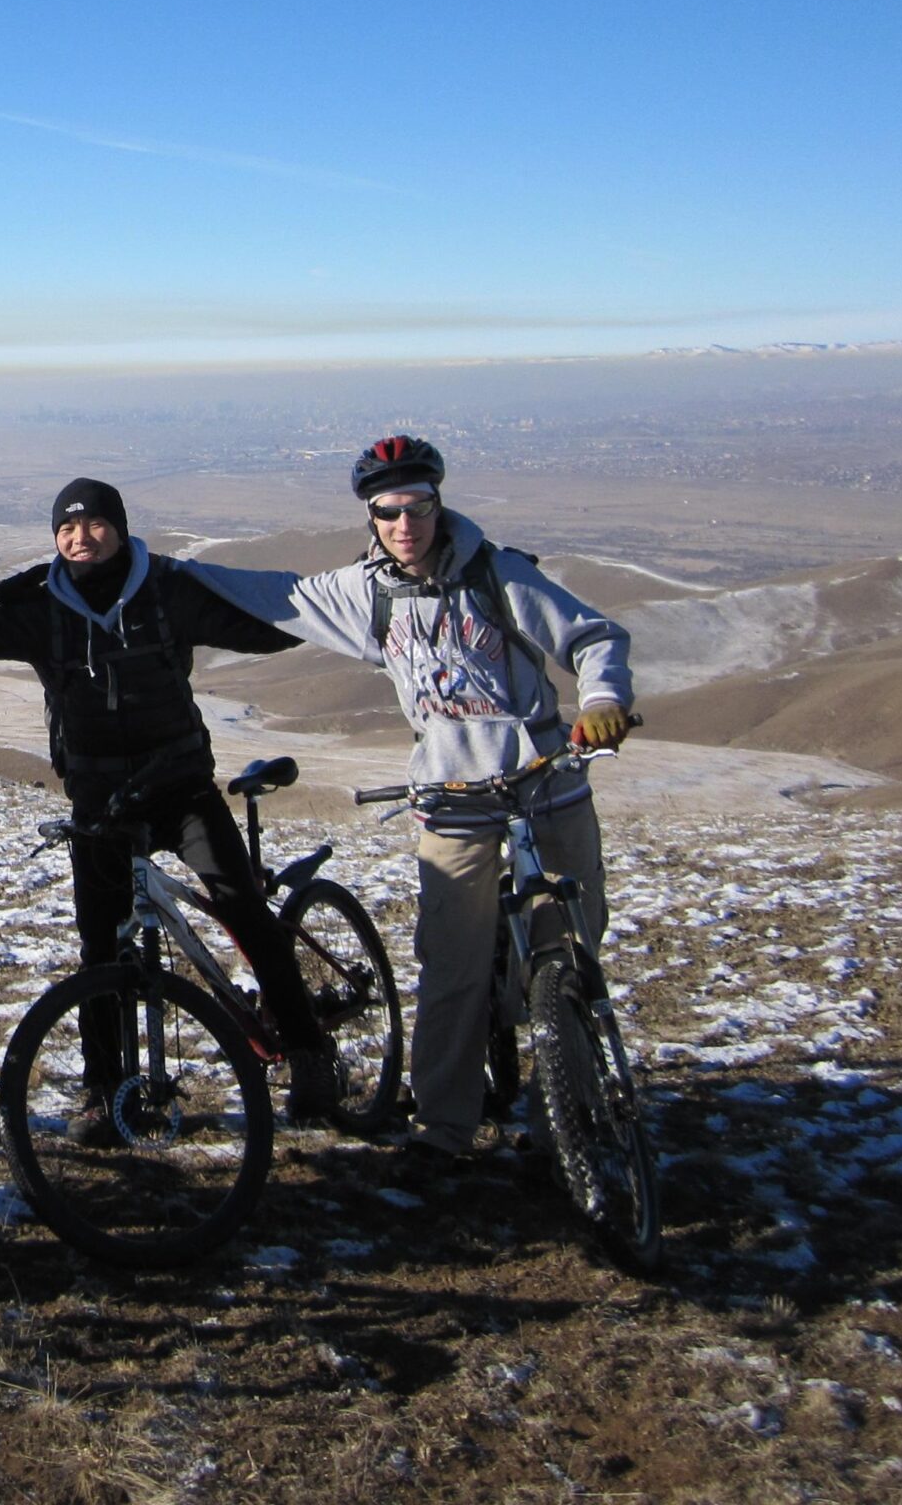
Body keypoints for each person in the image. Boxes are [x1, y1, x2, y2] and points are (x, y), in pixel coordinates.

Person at [187, 434, 634, 1180]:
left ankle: (576, 1116)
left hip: (547, 785)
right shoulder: (371, 593)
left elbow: (593, 637)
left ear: (438, 503)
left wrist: (605, 700)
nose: (404, 523)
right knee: (452, 963)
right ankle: (444, 1126)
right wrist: (154, 570)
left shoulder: (501, 574)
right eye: (387, 511)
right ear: (372, 517)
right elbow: (280, 596)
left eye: (417, 506)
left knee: (568, 953)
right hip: (453, 796)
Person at [0, 477, 341, 1129]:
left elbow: (262, 624)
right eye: (66, 529)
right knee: (102, 953)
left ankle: (307, 1048)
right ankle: (103, 1092)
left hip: (181, 788)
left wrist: (341, 609)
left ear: (118, 527)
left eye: (93, 525)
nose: (80, 538)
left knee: (243, 908)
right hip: (102, 803)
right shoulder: (38, 607)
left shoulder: (169, 591)